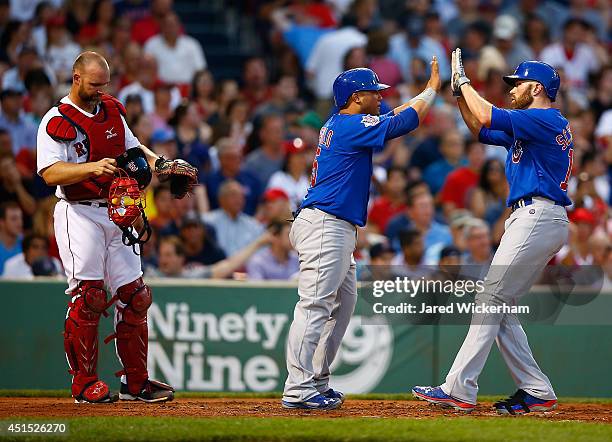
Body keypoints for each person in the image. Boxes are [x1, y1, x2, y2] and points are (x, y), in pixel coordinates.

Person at [412, 52, 571, 415]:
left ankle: (459, 389)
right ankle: (536, 390)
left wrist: (466, 82)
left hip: (538, 213)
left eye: (518, 84)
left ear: (537, 87)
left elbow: (486, 114)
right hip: (535, 216)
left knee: (489, 300)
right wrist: (457, 94)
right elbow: (480, 130)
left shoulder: (545, 119)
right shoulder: (534, 124)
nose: (512, 89)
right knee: (500, 307)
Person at [282, 60, 441, 410]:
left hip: (334, 226)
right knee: (315, 305)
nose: (380, 96)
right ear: (356, 97)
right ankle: (297, 388)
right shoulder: (349, 125)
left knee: (343, 304)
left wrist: (417, 97)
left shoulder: (344, 124)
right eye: (374, 92)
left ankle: (317, 380)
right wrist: (431, 90)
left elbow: (393, 115)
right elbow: (403, 121)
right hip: (325, 224)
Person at [36, 51, 180, 404]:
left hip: (118, 210)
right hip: (78, 211)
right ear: (76, 78)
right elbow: (49, 172)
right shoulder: (55, 120)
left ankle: (136, 383)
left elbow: (132, 146)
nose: (100, 91)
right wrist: (90, 168)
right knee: (90, 297)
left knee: (136, 295)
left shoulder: (112, 109)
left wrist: (158, 162)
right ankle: (84, 384)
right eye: (94, 85)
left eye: (104, 85)